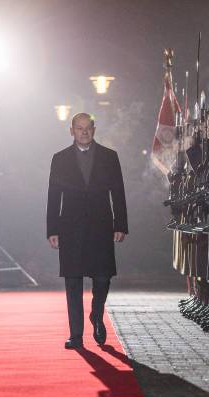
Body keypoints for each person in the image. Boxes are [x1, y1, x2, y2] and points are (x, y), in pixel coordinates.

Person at [46, 112, 128, 350]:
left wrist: (120, 224)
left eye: (87, 128)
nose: (83, 132)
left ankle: (96, 314)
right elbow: (53, 195)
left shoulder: (109, 157)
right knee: (73, 281)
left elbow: (118, 192)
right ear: (71, 130)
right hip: (70, 227)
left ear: (94, 129)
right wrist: (52, 229)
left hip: (101, 226)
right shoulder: (59, 158)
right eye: (79, 128)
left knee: (102, 278)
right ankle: (76, 335)